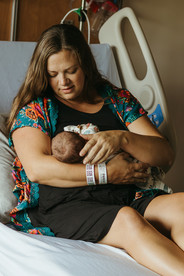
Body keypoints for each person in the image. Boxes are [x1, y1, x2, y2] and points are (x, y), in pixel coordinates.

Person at [7, 23, 184, 275]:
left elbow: (165, 155)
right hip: (67, 205)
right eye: (53, 74)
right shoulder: (36, 110)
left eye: (71, 71)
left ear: (86, 66)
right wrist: (106, 173)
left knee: (181, 206)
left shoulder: (116, 99)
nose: (63, 82)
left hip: (127, 195)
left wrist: (122, 139)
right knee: (127, 220)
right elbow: (37, 170)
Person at [52, 126, 172, 193]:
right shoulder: (88, 133)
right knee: (142, 171)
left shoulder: (87, 163)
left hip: (128, 164)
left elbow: (167, 155)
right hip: (127, 160)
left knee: (145, 180)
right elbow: (92, 128)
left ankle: (165, 189)